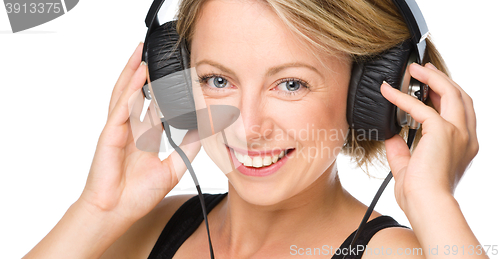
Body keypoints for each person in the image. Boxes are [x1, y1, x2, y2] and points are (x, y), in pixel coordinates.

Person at [23, 0, 484, 258]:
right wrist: (98, 211)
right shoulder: (150, 229)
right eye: (217, 80)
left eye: (290, 84)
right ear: (176, 84)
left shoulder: (396, 255)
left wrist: (434, 202)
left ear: (369, 94)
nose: (247, 126)